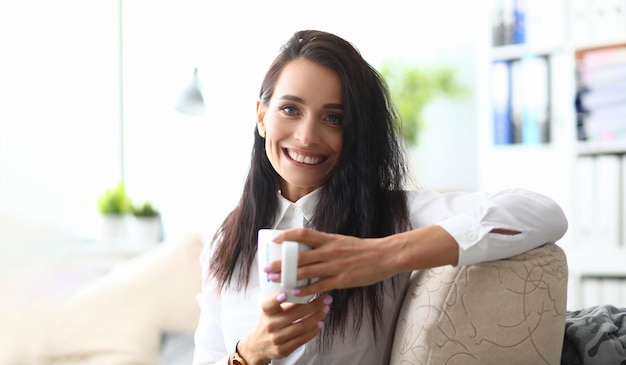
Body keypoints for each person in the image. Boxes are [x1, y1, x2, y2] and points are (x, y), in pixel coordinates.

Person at [192, 29, 568, 365]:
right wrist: (250, 353)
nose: (307, 136)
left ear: (355, 132)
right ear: (261, 116)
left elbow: (542, 212)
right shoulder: (228, 239)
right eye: (290, 109)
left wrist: (380, 256)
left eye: (334, 118)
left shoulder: (393, 216)